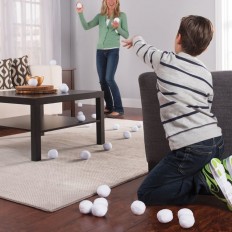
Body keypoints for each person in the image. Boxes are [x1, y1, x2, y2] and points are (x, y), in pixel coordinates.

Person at [122, 15, 232, 210]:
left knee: (146, 192)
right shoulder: (205, 73)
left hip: (192, 148)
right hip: (216, 142)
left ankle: (204, 181)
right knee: (184, 173)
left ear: (178, 38)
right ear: (204, 48)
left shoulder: (165, 61)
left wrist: (135, 39)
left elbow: (143, 49)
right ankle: (219, 171)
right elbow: (207, 104)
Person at [76, 0, 129, 118]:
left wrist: (118, 27)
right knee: (102, 80)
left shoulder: (122, 15)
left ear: (116, 1)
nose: (111, 2)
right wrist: (80, 13)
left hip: (113, 50)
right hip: (100, 51)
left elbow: (126, 35)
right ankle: (109, 106)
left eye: (113, 0)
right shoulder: (100, 16)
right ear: (105, 1)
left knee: (109, 78)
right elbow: (86, 26)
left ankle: (119, 109)